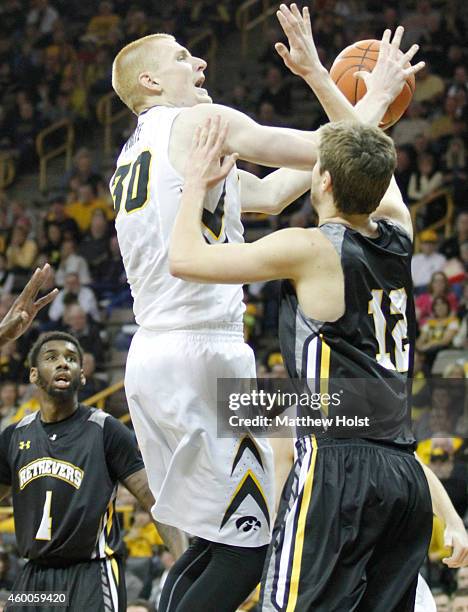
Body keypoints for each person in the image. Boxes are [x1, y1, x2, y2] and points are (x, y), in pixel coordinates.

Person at [110, 7, 421, 611]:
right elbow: (326, 151)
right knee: (253, 545)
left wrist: (348, 104)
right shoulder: (203, 120)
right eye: (181, 57)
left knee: (216, 540)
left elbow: (276, 193)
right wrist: (373, 99)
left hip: (150, 358)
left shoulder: (136, 156)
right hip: (206, 354)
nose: (198, 62)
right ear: (150, 82)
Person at [0, 331, 183, 612]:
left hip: (91, 573)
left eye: (72, 359)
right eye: (52, 358)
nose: (63, 363)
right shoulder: (14, 435)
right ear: (34, 375)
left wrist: (186, 564)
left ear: (82, 376)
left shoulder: (105, 428)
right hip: (35, 576)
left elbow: (152, 498)